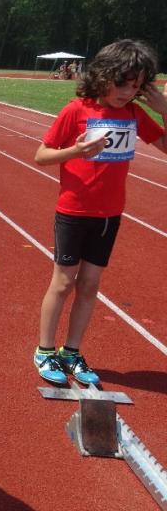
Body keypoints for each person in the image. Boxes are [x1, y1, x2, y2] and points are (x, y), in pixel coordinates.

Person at [32, 39, 167, 386]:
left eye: (136, 86)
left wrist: (165, 110)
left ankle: (71, 352)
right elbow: (41, 155)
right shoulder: (76, 111)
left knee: (90, 285)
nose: (128, 92)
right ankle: (45, 350)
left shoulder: (133, 114)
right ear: (104, 75)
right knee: (63, 282)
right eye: (122, 83)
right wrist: (76, 151)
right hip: (73, 211)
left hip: (109, 215)